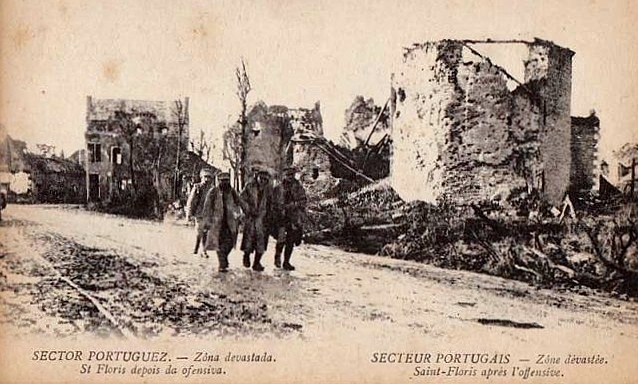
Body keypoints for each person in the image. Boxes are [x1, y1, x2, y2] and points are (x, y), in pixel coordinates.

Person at [202, 172, 244, 272]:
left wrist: (243, 214)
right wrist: (207, 220)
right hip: (217, 222)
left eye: (226, 180)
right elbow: (207, 207)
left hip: (230, 222)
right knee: (219, 243)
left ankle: (224, 258)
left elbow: (239, 202)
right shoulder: (213, 191)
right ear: (218, 181)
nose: (225, 183)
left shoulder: (232, 192)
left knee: (229, 243)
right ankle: (222, 264)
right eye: (222, 180)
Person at [272, 166, 307, 271]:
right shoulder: (278, 188)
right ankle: (277, 256)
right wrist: (279, 210)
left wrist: (294, 205)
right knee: (281, 239)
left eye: (292, 175)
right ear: (284, 175)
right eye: (288, 175)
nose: (290, 177)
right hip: (281, 217)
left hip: (293, 218)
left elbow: (303, 201)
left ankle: (286, 262)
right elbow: (273, 203)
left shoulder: (298, 187)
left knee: (291, 241)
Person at [240, 167, 274, 271]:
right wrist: (248, 210)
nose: (263, 181)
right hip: (251, 217)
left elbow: (271, 204)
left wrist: (269, 216)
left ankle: (257, 262)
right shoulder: (249, 187)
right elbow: (241, 199)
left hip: (262, 218)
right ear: (257, 177)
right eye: (261, 178)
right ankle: (246, 256)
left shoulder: (269, 190)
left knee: (261, 242)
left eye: (265, 179)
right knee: (249, 239)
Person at [185, 168, 215, 257]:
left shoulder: (213, 190)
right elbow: (191, 201)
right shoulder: (197, 187)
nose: (207, 179)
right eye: (205, 177)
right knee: (199, 232)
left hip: (209, 214)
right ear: (201, 177)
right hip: (199, 213)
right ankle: (196, 249)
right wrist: (189, 214)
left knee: (206, 232)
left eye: (209, 177)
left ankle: (203, 250)